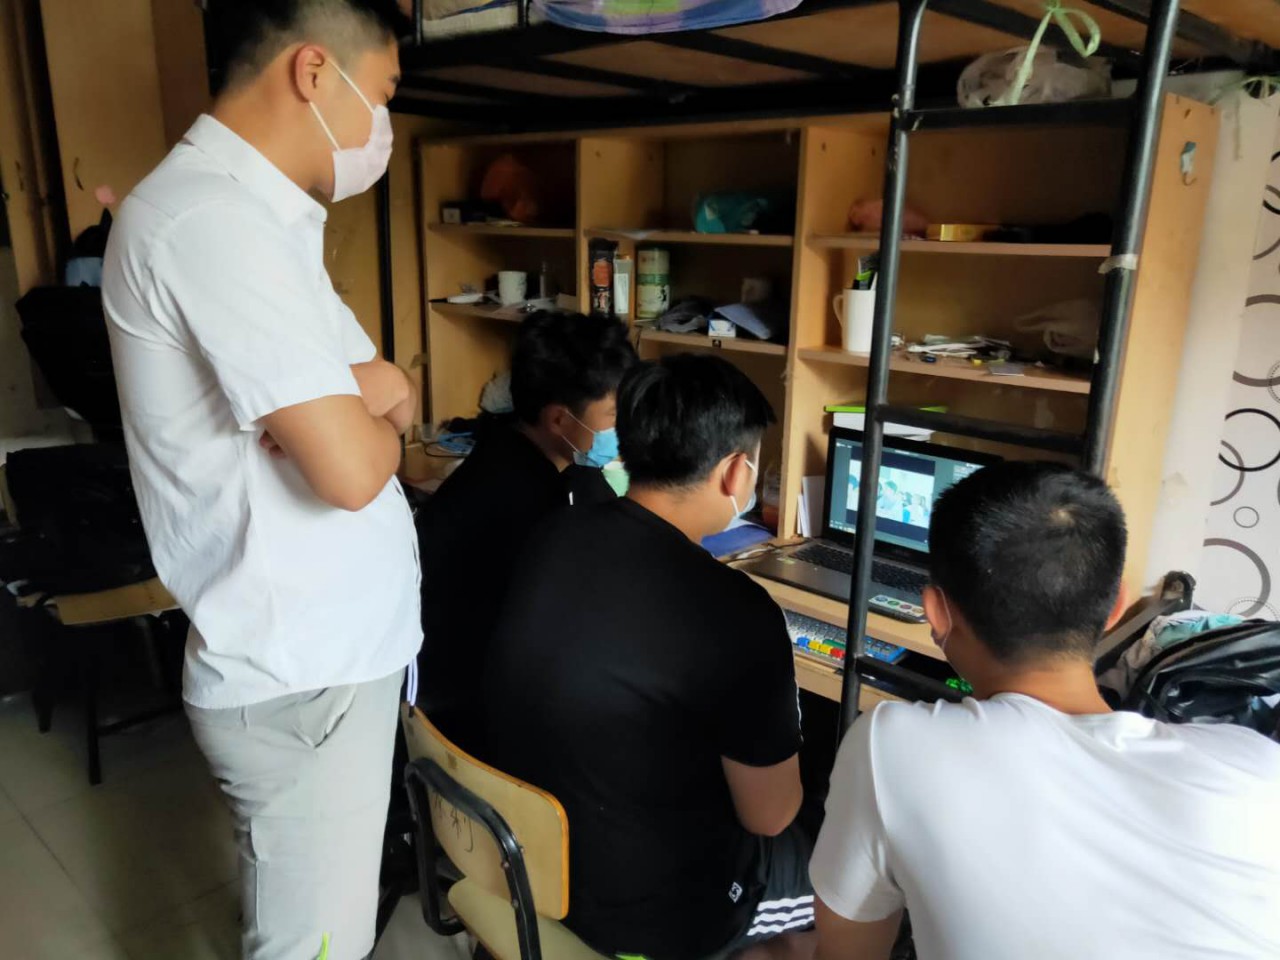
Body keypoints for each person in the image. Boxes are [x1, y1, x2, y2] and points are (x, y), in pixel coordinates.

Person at [102, 3, 420, 958]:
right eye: (385, 94)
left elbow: (395, 398)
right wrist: (362, 411)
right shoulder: (213, 223)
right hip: (303, 673)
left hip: (323, 663)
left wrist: (367, 402)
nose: (384, 126)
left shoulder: (262, 220)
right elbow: (354, 468)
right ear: (314, 72)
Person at [811, 462, 1280, 960]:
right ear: (1117, 605)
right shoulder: (1258, 767)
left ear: (936, 613)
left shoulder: (890, 744)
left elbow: (846, 954)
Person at [486, 354, 814, 960]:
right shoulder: (738, 611)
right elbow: (770, 817)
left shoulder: (557, 532)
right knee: (843, 869)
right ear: (735, 472)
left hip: (533, 856)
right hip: (646, 913)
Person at [415, 310, 635, 752]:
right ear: (559, 420)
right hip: (468, 716)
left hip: (467, 689)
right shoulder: (521, 502)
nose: (624, 428)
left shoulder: (516, 452)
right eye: (614, 415)